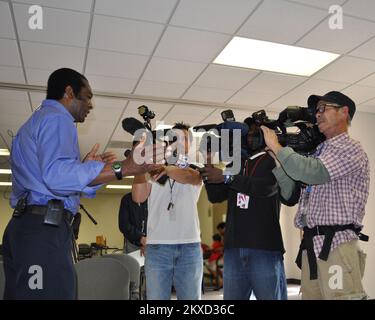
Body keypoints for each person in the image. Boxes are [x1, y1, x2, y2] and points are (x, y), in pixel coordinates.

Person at [2, 68, 165, 300]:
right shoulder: (58, 118)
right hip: (43, 232)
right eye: (87, 97)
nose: (91, 105)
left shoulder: (37, 120)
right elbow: (58, 178)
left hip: (28, 230)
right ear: (69, 92)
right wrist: (124, 168)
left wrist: (82, 167)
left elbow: (52, 182)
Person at [261, 91, 370, 300]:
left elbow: (313, 172)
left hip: (337, 245)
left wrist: (277, 145)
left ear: (344, 112)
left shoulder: (350, 148)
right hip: (312, 247)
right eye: (316, 110)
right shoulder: (319, 151)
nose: (317, 114)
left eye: (323, 109)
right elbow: (290, 192)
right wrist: (277, 158)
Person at [200, 117, 292, 300]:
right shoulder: (236, 164)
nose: (249, 136)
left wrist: (228, 178)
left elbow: (267, 188)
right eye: (247, 132)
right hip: (234, 248)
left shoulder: (273, 159)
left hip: (263, 247)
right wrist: (208, 163)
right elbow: (215, 196)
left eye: (254, 132)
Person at [132, 122, 203, 300]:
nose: (179, 141)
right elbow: (138, 197)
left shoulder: (196, 165)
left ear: (190, 144)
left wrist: (165, 168)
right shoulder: (153, 167)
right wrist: (139, 164)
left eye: (184, 138)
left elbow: (189, 177)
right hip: (157, 247)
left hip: (190, 247)